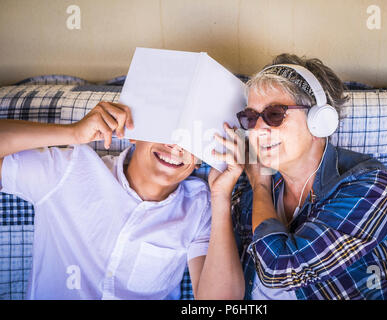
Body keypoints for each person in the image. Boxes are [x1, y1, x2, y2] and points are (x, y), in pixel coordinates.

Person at [0, 101, 244, 299]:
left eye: (191, 140)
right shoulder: (67, 170)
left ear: (200, 158)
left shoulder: (199, 207)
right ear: (135, 135)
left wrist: (221, 196)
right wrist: (73, 133)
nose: (176, 146)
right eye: (166, 129)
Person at [214, 53, 387, 300]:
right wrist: (222, 194)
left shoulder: (368, 184)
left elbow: (277, 269)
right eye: (251, 118)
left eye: (274, 114)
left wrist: (260, 183)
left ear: (319, 122)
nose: (258, 130)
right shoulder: (248, 197)